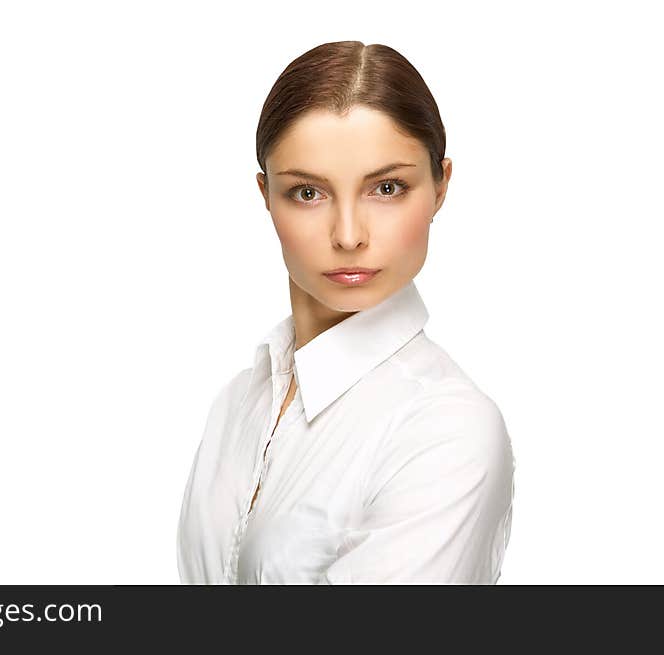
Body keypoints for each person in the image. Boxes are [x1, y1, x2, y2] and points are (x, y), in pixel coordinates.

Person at [176, 41, 516, 584]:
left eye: (387, 188)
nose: (349, 235)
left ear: (441, 186)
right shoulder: (239, 401)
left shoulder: (448, 429)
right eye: (308, 192)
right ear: (266, 194)